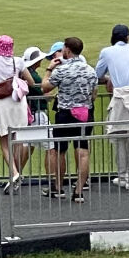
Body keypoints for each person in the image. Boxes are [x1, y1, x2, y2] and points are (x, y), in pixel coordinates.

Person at [95, 25, 129, 190]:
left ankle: (123, 176)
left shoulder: (107, 52)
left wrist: (109, 78)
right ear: (127, 37)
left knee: (120, 136)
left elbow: (97, 74)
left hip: (122, 95)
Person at [44, 38, 97, 202]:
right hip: (85, 112)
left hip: (65, 113)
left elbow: (45, 87)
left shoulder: (62, 70)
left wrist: (49, 69)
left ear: (67, 49)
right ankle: (79, 190)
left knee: (60, 151)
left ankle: (59, 187)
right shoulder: (90, 70)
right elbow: (94, 95)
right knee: (83, 151)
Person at [0, 34, 27, 193]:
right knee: (18, 139)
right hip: (18, 102)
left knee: (4, 140)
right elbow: (29, 80)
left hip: (2, 103)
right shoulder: (19, 61)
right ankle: (16, 172)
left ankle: (14, 173)